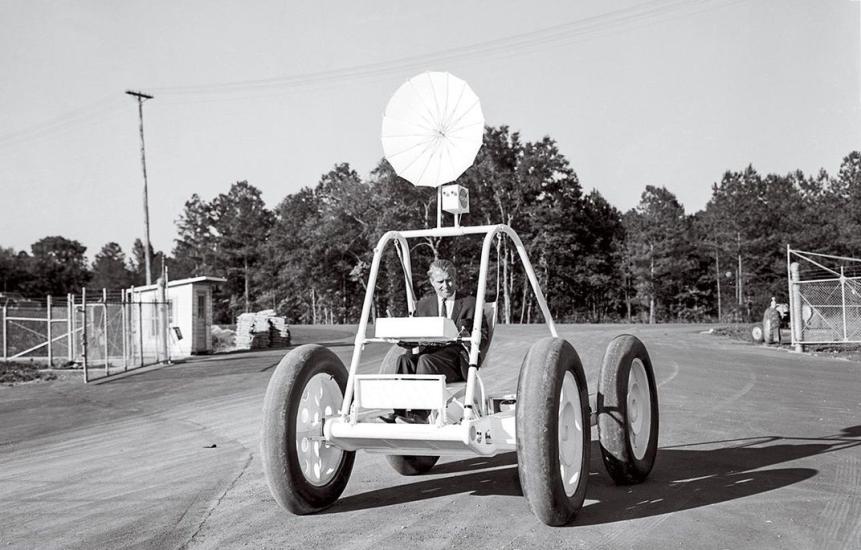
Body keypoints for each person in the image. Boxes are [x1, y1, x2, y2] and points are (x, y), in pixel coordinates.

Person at [379, 258, 488, 424]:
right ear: (431, 282)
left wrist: (465, 336)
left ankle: (419, 415)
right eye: (440, 281)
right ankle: (399, 412)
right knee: (404, 360)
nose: (446, 285)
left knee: (425, 360)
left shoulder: (471, 304)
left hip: (455, 361)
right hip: (429, 355)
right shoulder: (423, 306)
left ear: (455, 278)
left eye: (450, 279)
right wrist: (399, 336)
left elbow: (484, 336)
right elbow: (413, 338)